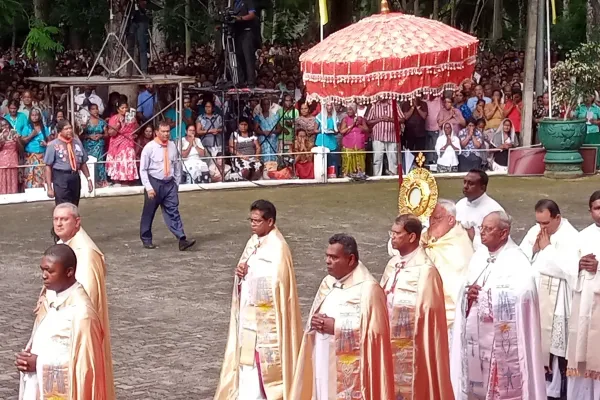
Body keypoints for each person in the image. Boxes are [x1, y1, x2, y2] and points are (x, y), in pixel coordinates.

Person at [450, 211, 546, 400]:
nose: (482, 233)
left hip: (499, 344)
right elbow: (465, 286)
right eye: (481, 228)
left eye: (488, 229)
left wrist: (487, 296)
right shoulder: (479, 256)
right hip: (476, 339)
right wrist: (468, 295)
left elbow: (525, 295)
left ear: (504, 233)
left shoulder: (516, 259)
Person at [214, 200, 302, 400]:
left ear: (270, 221)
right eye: (251, 220)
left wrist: (252, 275)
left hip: (267, 319)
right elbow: (244, 269)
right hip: (249, 314)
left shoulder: (279, 249)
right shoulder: (253, 241)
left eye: (257, 221)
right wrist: (240, 274)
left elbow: (279, 284)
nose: (253, 225)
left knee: (262, 364)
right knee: (247, 363)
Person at [290, 234, 395, 400]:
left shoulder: (369, 289)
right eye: (327, 256)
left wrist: (337, 327)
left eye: (334, 257)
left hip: (348, 368)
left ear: (351, 259)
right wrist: (316, 322)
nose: (327, 261)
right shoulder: (328, 282)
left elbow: (376, 335)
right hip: (322, 355)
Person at [17, 244, 106, 400]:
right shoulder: (55, 300)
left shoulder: (82, 313)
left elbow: (85, 367)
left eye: (50, 271)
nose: (44, 275)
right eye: (42, 269)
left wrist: (38, 363)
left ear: (69, 272)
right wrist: (27, 357)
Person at [383, 215, 453, 399]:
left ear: (412, 237)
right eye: (392, 232)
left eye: (397, 233)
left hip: (413, 347)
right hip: (389, 339)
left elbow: (430, 318)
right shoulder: (393, 264)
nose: (392, 237)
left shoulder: (426, 271)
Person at [51, 203, 115, 399]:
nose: (59, 224)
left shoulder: (85, 253)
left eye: (65, 219)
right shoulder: (65, 246)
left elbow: (85, 299)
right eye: (56, 219)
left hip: (74, 335)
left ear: (77, 222)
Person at [519, 199, 579, 399]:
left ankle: (556, 389)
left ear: (558, 218)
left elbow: (569, 271)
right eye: (539, 223)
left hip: (559, 301)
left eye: (546, 223)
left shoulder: (572, 237)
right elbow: (521, 258)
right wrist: (535, 250)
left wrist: (547, 249)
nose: (542, 228)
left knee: (555, 348)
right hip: (536, 295)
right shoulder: (534, 231)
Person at [139, 121, 195, 251]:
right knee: (149, 212)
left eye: (168, 131)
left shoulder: (172, 146)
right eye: (163, 131)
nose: (166, 134)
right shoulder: (149, 148)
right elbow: (143, 169)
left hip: (169, 183)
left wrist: (176, 183)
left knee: (173, 211)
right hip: (154, 182)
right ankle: (146, 238)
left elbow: (176, 165)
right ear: (157, 132)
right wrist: (149, 187)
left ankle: (181, 238)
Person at [566, 190, 600, 399]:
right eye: (597, 208)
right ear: (590, 211)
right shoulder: (582, 236)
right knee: (582, 353)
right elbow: (567, 267)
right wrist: (576, 266)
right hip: (584, 302)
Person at [420, 199, 473, 331]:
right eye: (430, 218)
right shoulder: (427, 235)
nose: (432, 222)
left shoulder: (458, 245)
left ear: (451, 220)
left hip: (450, 315)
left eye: (437, 218)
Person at [44, 120, 93, 206]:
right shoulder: (53, 145)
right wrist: (49, 187)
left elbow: (83, 163)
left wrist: (88, 179)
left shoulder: (77, 143)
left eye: (70, 128)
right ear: (60, 131)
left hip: (75, 176)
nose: (69, 130)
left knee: (74, 204)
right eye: (66, 129)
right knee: (63, 205)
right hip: (60, 177)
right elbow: (48, 166)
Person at [456, 169, 504, 249]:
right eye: (465, 182)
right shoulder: (460, 204)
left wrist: (470, 237)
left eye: (471, 184)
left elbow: (497, 244)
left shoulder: (494, 211)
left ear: (483, 188)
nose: (465, 186)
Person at [366, 99, 403, 177]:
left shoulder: (395, 105)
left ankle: (393, 176)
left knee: (393, 158)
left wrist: (389, 119)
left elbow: (402, 119)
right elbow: (368, 121)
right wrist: (380, 119)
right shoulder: (374, 106)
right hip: (378, 137)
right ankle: (377, 177)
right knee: (377, 158)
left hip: (392, 136)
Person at [106, 100, 139, 186]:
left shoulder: (131, 117)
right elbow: (111, 133)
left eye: (126, 108)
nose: (125, 110)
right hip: (117, 144)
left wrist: (134, 121)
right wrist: (118, 125)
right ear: (118, 109)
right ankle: (117, 181)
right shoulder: (114, 118)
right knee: (118, 161)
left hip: (128, 142)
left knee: (127, 159)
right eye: (122, 108)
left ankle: (127, 180)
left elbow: (137, 129)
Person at [20, 108, 51, 188]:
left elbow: (50, 142)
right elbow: (22, 142)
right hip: (30, 156)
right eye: (32, 115)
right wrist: (32, 135)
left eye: (36, 115)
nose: (34, 117)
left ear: (40, 116)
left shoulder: (44, 128)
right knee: (29, 176)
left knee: (40, 176)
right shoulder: (27, 127)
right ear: (30, 116)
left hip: (42, 156)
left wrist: (46, 144)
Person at [82, 103, 108, 188]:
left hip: (99, 144)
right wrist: (89, 136)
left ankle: (100, 181)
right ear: (89, 111)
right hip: (88, 144)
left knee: (99, 162)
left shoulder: (102, 121)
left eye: (96, 109)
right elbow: (80, 135)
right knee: (88, 162)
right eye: (93, 109)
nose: (95, 111)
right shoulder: (86, 122)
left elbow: (107, 134)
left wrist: (101, 135)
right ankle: (89, 180)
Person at [233, 0, 258, 87]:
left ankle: (251, 82)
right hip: (237, 33)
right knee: (238, 57)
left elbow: (252, 15)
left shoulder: (248, 1)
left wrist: (241, 18)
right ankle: (241, 81)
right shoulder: (234, 3)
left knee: (248, 58)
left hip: (247, 32)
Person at [339, 104, 369, 177]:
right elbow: (342, 131)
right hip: (348, 144)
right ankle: (347, 174)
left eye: (350, 109)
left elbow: (367, 130)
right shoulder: (345, 119)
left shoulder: (360, 119)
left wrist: (358, 125)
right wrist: (352, 125)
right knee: (348, 159)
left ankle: (360, 174)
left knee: (360, 158)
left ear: (354, 110)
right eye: (348, 109)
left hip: (359, 144)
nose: (348, 111)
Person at [0, 117, 20, 194]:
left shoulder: (14, 133)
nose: (5, 127)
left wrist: (17, 140)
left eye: (6, 125)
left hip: (13, 161)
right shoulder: (0, 136)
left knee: (13, 180)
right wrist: (2, 139)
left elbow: (20, 149)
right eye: (2, 126)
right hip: (2, 162)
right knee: (3, 181)